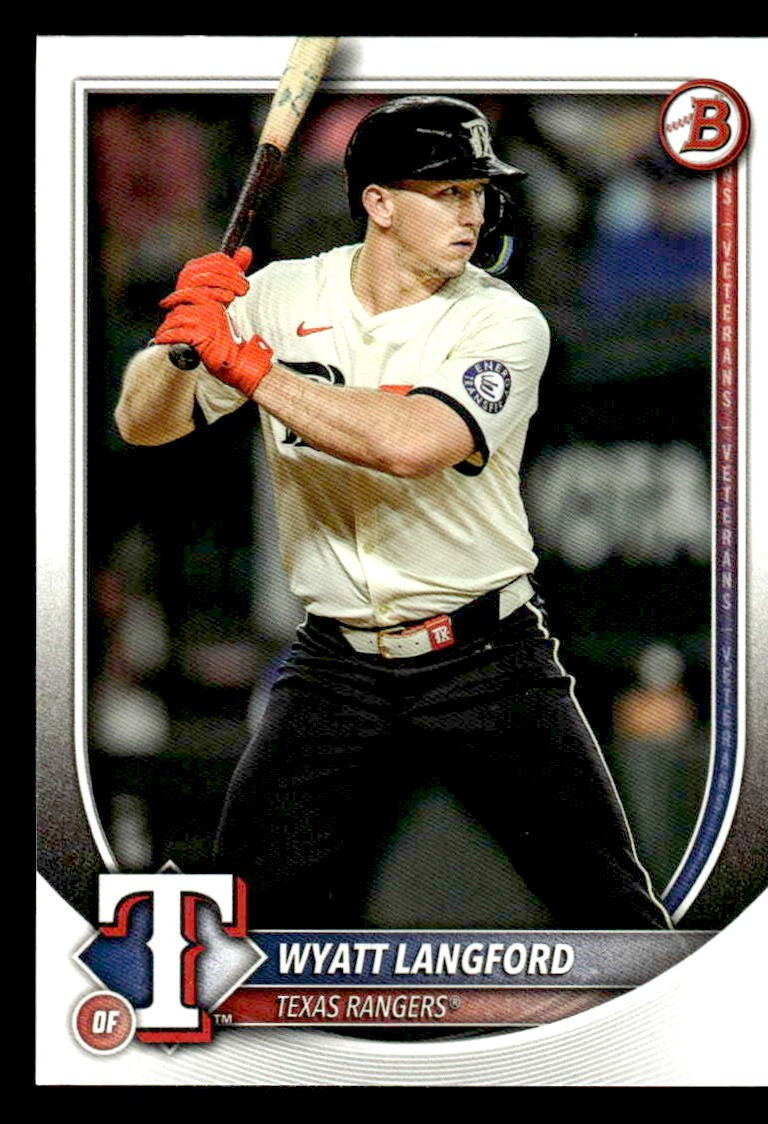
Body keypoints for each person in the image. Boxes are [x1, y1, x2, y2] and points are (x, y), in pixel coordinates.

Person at [115, 95, 672, 931]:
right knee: (241, 925)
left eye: (476, 192)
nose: (471, 213)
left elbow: (412, 443)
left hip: (484, 659)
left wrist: (253, 371)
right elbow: (142, 423)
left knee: (610, 918)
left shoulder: (500, 319)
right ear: (378, 202)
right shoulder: (282, 294)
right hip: (335, 665)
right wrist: (180, 347)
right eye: (446, 193)